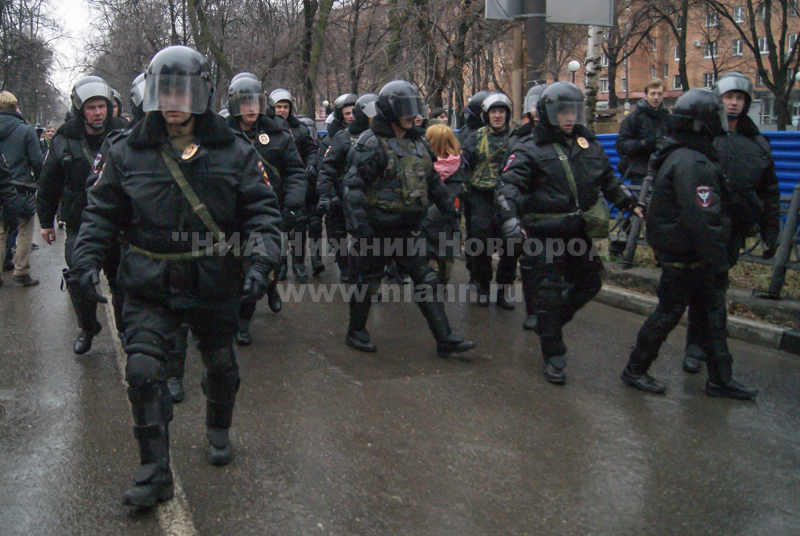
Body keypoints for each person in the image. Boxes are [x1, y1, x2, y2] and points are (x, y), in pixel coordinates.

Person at [71, 45, 283, 508]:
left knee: (221, 366)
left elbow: (263, 214)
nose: (173, 102)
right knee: (144, 372)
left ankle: (218, 427)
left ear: (200, 94)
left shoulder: (234, 150)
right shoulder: (126, 150)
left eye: (182, 92)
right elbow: (101, 212)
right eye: (164, 91)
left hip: (213, 280)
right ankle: (154, 472)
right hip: (149, 281)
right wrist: (85, 260)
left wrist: (262, 262)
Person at [498, 82, 642, 385]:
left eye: (573, 111)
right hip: (544, 233)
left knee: (590, 283)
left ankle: (550, 323)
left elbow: (607, 179)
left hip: (580, 232)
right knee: (549, 294)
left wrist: (629, 201)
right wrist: (510, 218)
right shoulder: (529, 148)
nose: (569, 117)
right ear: (549, 113)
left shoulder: (588, 145)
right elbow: (510, 185)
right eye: (563, 112)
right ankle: (554, 354)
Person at [619, 88, 757, 400]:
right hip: (688, 258)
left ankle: (720, 379)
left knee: (713, 317)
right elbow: (702, 219)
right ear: (701, 122)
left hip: (693, 256)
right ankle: (635, 369)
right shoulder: (693, 163)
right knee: (669, 314)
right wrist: (718, 260)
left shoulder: (685, 154)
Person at [342, 80, 475, 357]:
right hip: (377, 230)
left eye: (413, 108)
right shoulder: (371, 143)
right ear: (389, 110)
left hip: (409, 230)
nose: (411, 115)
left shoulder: (419, 142)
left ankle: (445, 339)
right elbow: (353, 189)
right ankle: (355, 331)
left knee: (427, 280)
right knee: (367, 282)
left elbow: (432, 181)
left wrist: (449, 210)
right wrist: (361, 228)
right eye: (404, 108)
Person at [682, 73, 782, 373]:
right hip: (705, 227)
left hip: (734, 229)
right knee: (704, 288)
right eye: (729, 97)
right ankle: (696, 346)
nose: (734, 103)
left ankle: (709, 348)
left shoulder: (758, 143)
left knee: (717, 287)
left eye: (740, 98)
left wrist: (771, 232)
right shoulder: (706, 136)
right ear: (719, 100)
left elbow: (769, 190)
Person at [37, 76, 129, 354]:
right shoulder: (64, 139)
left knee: (122, 279)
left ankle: (125, 329)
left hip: (118, 223)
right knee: (78, 278)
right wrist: (46, 221)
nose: (98, 112)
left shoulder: (125, 133)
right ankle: (88, 327)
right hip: (80, 223)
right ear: (80, 110)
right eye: (91, 107)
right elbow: (49, 182)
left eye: (102, 106)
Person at [225, 75, 307, 345]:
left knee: (269, 258)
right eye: (244, 103)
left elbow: (295, 172)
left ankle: (260, 300)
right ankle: (242, 314)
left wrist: (293, 204)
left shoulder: (279, 135)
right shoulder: (221, 136)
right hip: (234, 215)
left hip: (270, 211)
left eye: (255, 102)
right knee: (237, 266)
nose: (250, 108)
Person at [461, 92, 519, 309]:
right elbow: (464, 166)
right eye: (493, 111)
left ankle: (503, 290)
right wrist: (466, 193)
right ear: (487, 115)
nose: (497, 115)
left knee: (511, 244)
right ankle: (483, 287)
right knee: (481, 243)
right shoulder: (475, 137)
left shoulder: (516, 138)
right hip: (481, 197)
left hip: (508, 197)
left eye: (501, 111)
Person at [317, 93, 378, 283]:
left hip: (368, 196)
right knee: (338, 233)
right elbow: (327, 168)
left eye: (354, 112)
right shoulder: (342, 138)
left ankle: (365, 273)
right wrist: (327, 195)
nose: (351, 116)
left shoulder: (378, 136)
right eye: (347, 113)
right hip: (341, 194)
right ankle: (345, 267)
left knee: (367, 237)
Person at [270, 88, 320, 280]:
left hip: (296, 182)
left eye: (285, 106)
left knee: (298, 224)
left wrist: (311, 165)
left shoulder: (300, 129)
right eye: (278, 107)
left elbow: (311, 149)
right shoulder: (266, 129)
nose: (282, 110)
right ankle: (280, 264)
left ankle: (298, 263)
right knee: (278, 226)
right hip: (274, 183)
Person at [0, 91, 43, 287]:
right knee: (25, 228)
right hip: (21, 186)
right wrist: (39, 180)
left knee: (1, 231)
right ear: (15, 107)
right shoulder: (26, 130)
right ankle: (21, 271)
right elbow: (36, 160)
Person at [421, 123, 464, 284]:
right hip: (446, 219)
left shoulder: (423, 162)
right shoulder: (458, 162)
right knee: (442, 263)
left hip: (433, 220)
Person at [615, 79, 669, 187]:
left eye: (659, 94)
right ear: (646, 96)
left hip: (664, 171)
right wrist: (645, 143)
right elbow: (621, 145)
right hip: (640, 173)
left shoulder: (668, 118)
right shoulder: (633, 119)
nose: (656, 97)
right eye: (652, 94)